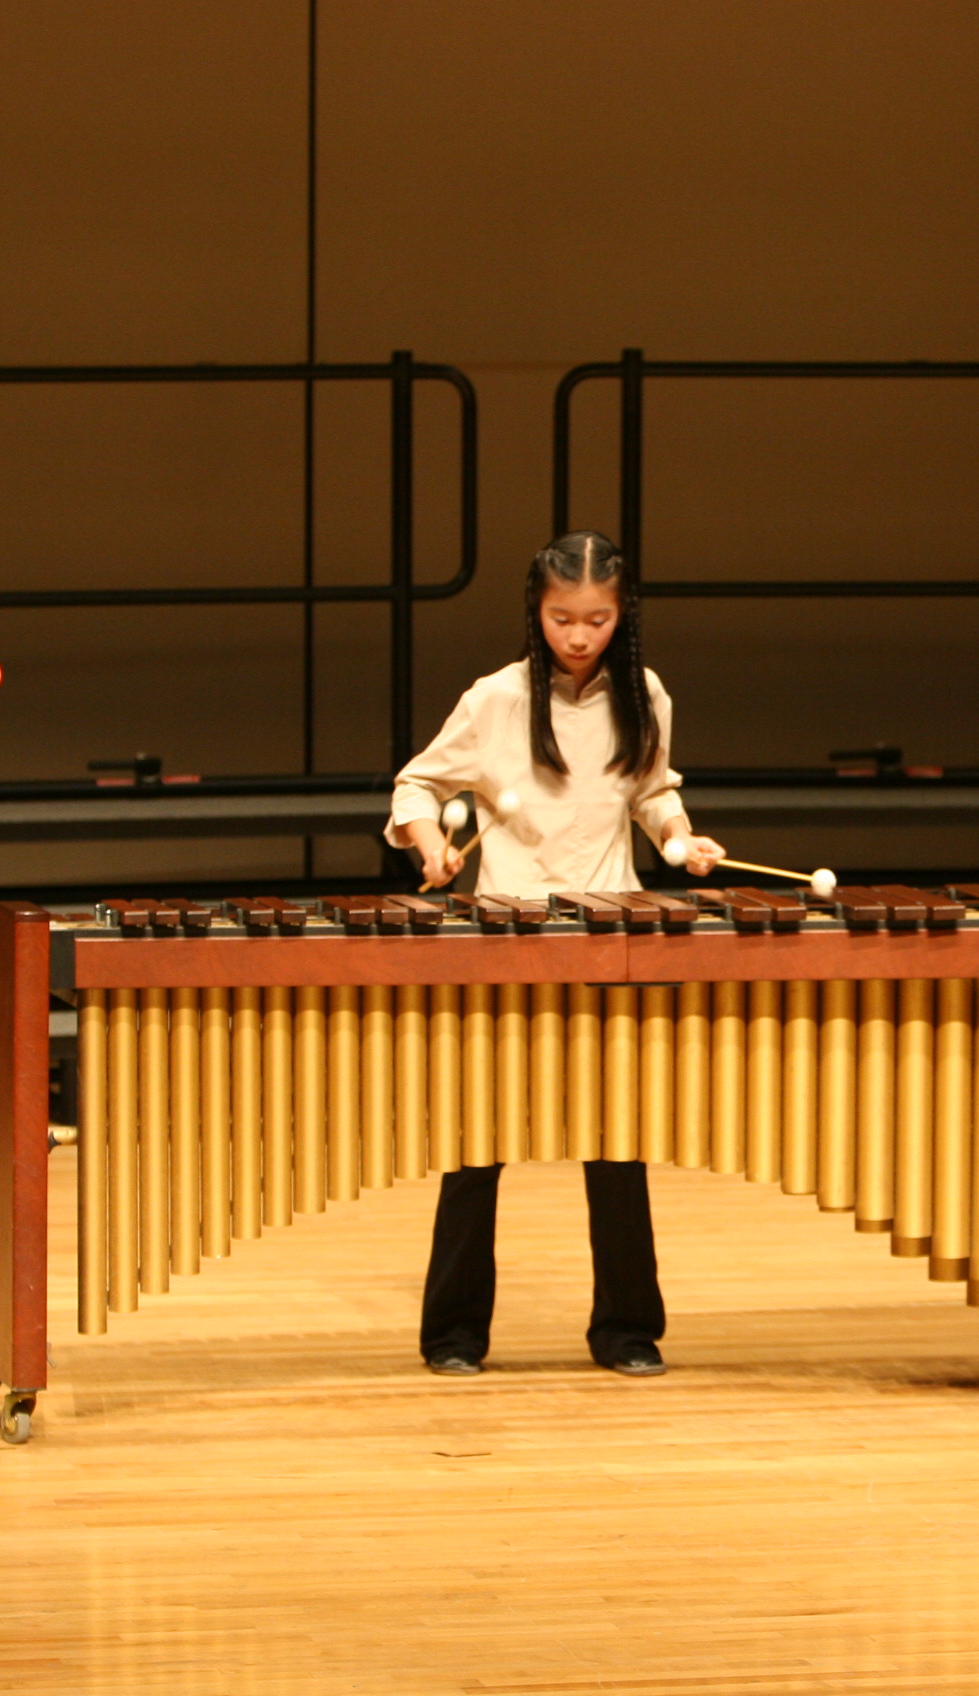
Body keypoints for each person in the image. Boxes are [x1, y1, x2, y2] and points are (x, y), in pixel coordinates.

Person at [384, 530, 723, 1378]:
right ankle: (454, 1335)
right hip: (506, 939)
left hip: (610, 939)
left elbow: (653, 791)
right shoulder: (495, 700)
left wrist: (680, 838)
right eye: (562, 618)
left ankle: (627, 1330)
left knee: (617, 1142)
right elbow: (417, 785)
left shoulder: (644, 693)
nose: (578, 635)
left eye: (596, 619)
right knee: (475, 1145)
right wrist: (430, 845)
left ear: (622, 614)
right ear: (536, 612)